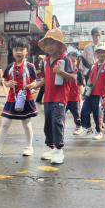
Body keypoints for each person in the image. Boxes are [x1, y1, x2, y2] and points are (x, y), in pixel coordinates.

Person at [0, 36, 37, 158]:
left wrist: (31, 86)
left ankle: (29, 147)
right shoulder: (9, 67)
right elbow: (5, 81)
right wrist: (8, 84)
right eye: (16, 49)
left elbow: (34, 82)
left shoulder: (30, 66)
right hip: (11, 100)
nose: (18, 52)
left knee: (26, 123)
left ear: (27, 51)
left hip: (26, 99)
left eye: (21, 49)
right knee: (5, 123)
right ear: (12, 51)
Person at [32, 29, 76, 164]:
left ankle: (59, 150)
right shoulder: (45, 61)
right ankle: (50, 148)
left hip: (61, 97)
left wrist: (61, 72)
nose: (49, 46)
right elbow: (45, 78)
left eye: (52, 43)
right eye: (46, 44)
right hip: (48, 98)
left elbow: (73, 78)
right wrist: (35, 86)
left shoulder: (65, 59)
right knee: (48, 124)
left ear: (60, 45)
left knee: (57, 122)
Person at [79, 42, 105, 140]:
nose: (101, 54)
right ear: (95, 54)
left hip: (100, 95)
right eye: (98, 52)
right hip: (91, 94)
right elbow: (89, 79)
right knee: (84, 111)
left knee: (97, 114)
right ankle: (88, 128)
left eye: (103, 52)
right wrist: (85, 93)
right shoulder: (93, 66)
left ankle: (99, 131)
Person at [65, 52, 86, 135]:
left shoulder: (78, 73)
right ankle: (59, 127)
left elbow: (80, 85)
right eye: (69, 60)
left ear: (77, 62)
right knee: (60, 114)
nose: (71, 63)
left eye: (73, 61)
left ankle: (79, 126)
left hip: (75, 98)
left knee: (76, 115)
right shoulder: (63, 72)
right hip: (64, 98)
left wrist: (83, 95)